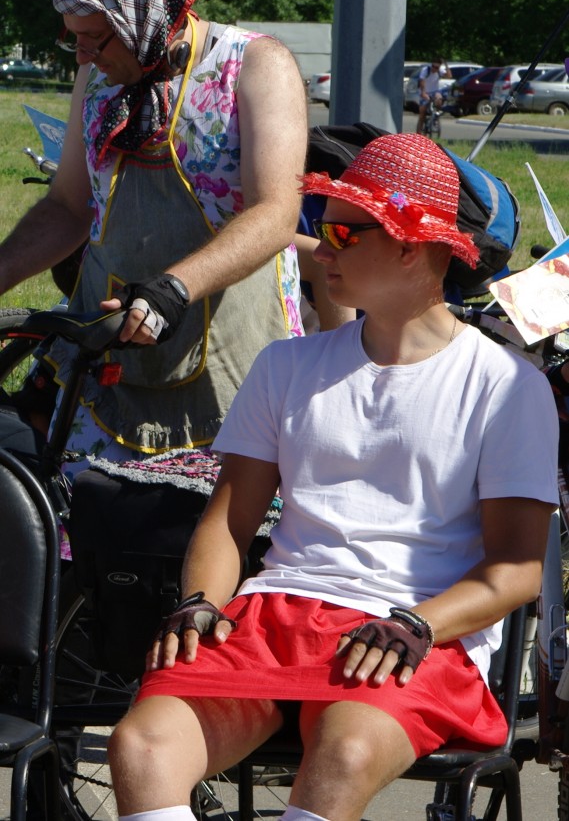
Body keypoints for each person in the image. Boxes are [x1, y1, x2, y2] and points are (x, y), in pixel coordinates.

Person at [107, 132, 559, 821]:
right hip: (272, 614)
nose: (321, 249)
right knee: (140, 747)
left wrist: (417, 624)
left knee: (342, 754)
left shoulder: (505, 386)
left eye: (344, 233)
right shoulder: (286, 366)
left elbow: (516, 571)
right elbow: (228, 521)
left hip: (414, 628)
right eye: (321, 227)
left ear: (410, 246)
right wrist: (199, 601)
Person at [0, 0, 307, 478]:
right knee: (85, 514)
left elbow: (276, 213)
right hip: (111, 351)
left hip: (231, 359)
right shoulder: (95, 77)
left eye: (96, 38)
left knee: (196, 523)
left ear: (140, 17)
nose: (84, 55)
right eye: (74, 39)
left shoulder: (256, 65)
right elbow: (68, 207)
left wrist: (172, 290)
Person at [416, 57, 451, 134]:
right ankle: (418, 133)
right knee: (422, 113)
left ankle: (435, 116)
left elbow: (449, 76)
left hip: (434, 91)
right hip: (424, 91)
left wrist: (446, 65)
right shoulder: (426, 70)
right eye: (433, 66)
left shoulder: (440, 71)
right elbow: (422, 81)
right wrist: (423, 93)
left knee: (439, 98)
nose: (434, 69)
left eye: (436, 67)